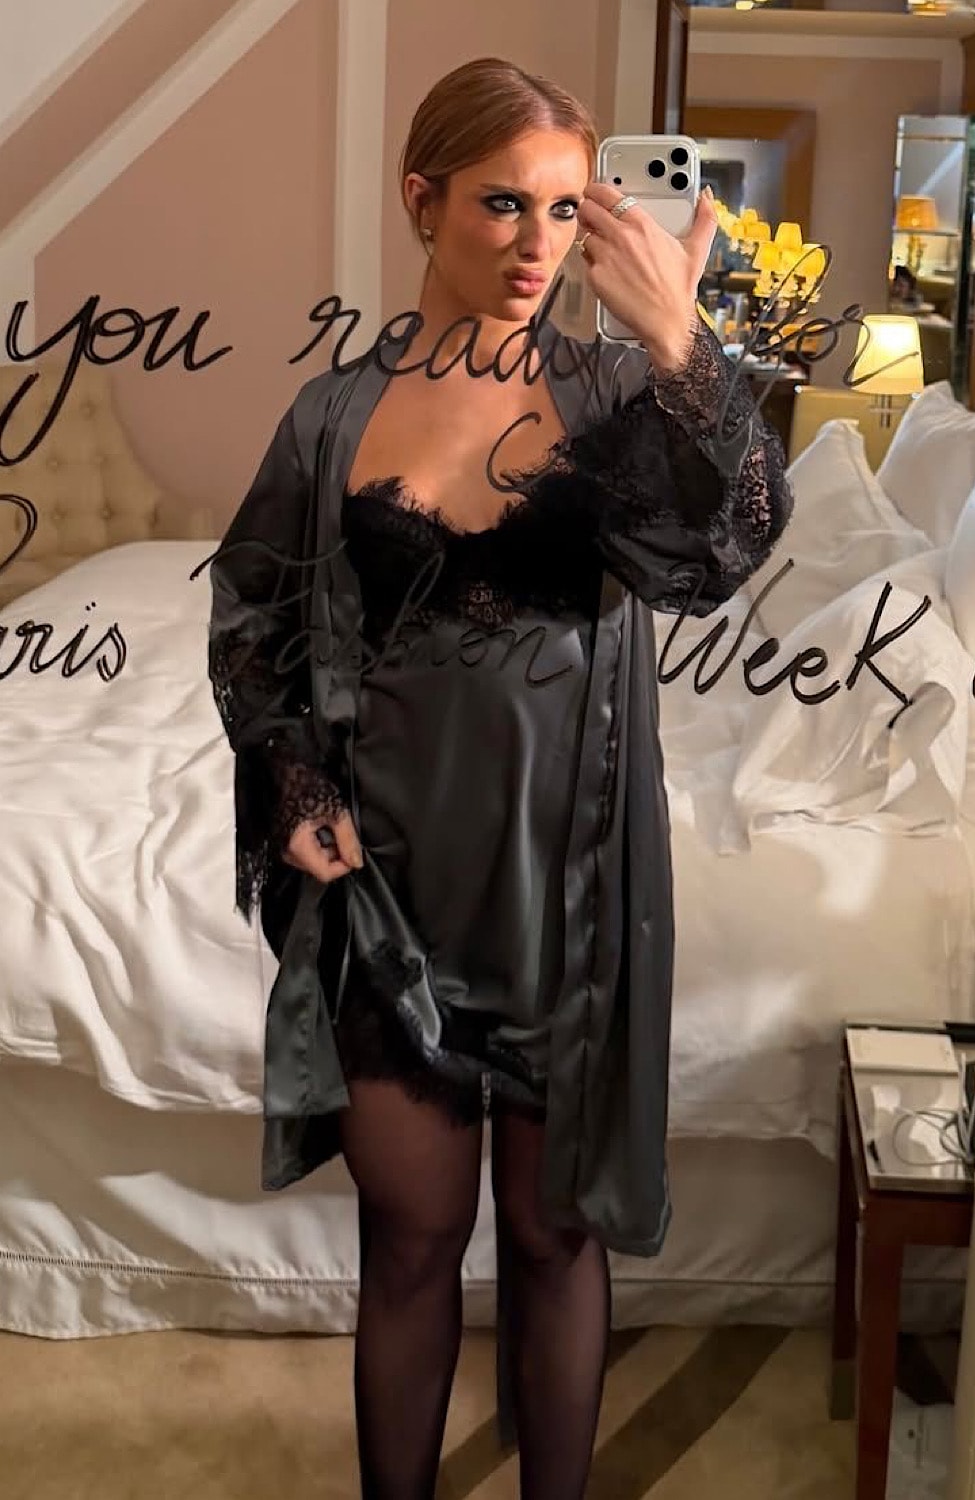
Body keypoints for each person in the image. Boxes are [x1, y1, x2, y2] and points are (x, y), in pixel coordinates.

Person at [208, 56, 792, 1500]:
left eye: (564, 209)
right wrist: (294, 785)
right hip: (392, 901)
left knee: (552, 1237)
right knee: (409, 1245)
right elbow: (255, 616)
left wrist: (683, 343)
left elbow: (724, 551)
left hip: (569, 898)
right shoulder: (335, 413)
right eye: (500, 205)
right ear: (422, 200)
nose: (538, 244)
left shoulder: (618, 396)